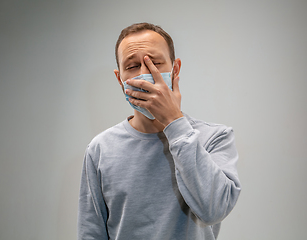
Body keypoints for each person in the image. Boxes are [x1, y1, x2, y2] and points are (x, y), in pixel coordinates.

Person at [78, 22, 241, 240]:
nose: (146, 74)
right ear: (120, 79)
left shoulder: (215, 138)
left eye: (155, 63)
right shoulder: (100, 149)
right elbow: (91, 233)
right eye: (133, 66)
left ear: (175, 69)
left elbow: (214, 211)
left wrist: (174, 121)